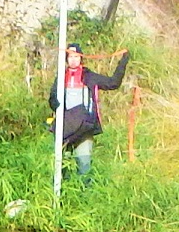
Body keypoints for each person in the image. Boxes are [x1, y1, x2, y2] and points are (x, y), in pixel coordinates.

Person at [48, 43, 129, 179]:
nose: (73, 59)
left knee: (84, 167)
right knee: (62, 168)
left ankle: (85, 197)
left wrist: (123, 62)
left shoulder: (89, 76)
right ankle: (64, 197)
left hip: (85, 128)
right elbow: (52, 99)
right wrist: (54, 103)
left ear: (81, 58)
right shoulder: (61, 77)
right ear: (66, 59)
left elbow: (113, 83)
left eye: (76, 56)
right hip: (66, 129)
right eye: (70, 57)